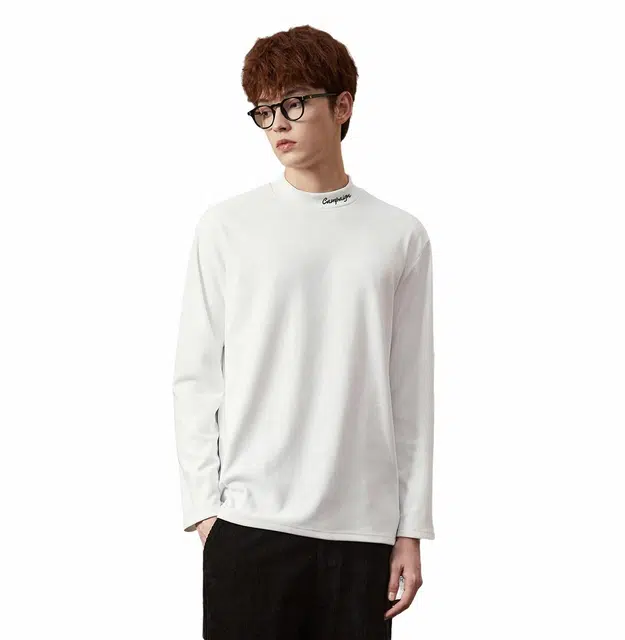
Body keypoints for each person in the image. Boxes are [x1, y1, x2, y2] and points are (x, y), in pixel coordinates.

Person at [172, 24, 436, 640]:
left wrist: (410, 527)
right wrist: (204, 510)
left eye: (293, 103)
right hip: (249, 526)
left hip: (361, 533)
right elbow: (196, 375)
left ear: (342, 106)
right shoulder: (227, 227)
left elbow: (411, 389)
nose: (277, 125)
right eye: (263, 111)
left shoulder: (400, 235)